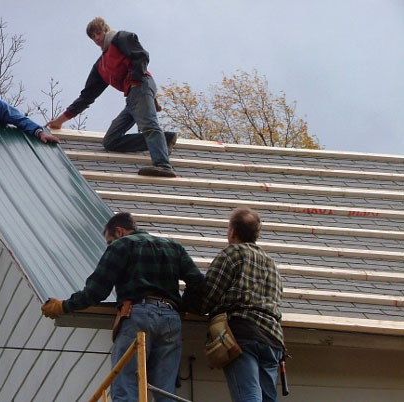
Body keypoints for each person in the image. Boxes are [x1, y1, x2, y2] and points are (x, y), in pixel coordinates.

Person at [41, 212, 204, 401]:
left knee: (126, 387)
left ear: (119, 231)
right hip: (171, 319)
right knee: (165, 392)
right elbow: (199, 283)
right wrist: (182, 305)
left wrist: (64, 306)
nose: (109, 245)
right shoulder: (173, 247)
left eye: (109, 241)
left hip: (138, 315)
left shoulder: (122, 245)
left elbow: (96, 291)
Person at [46, 17, 178, 177]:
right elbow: (87, 96)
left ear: (106, 30)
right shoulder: (101, 66)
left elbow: (141, 55)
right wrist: (61, 121)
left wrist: (136, 79)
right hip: (130, 96)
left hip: (141, 85)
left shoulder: (120, 39)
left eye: (99, 33)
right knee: (111, 141)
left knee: (148, 125)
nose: (97, 38)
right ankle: (165, 139)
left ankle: (163, 165)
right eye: (93, 37)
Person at [184, 208, 284, 402]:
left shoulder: (232, 254)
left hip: (242, 334)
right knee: (267, 399)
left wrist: (187, 301)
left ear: (232, 232)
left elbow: (208, 297)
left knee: (248, 396)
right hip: (273, 338)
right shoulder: (272, 264)